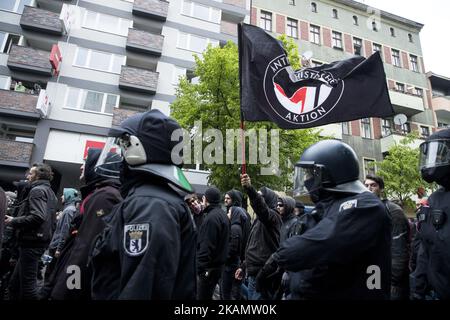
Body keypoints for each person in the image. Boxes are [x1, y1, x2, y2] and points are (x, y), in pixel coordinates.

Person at [256, 140, 391, 299]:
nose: (306, 180)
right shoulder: (327, 206)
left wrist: (277, 259)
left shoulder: (366, 206)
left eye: (310, 174)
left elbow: (317, 243)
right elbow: (301, 233)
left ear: (329, 174)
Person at [90, 109, 197, 300]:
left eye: (124, 147)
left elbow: (141, 287)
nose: (120, 157)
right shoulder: (155, 199)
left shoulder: (151, 204)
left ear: (136, 149)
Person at [47, 150, 122, 300]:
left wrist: (66, 290)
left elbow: (85, 247)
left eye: (86, 162)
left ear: (98, 165)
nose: (82, 167)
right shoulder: (99, 194)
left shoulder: (104, 197)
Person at [5, 164, 57, 300]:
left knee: (28, 289)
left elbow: (38, 216)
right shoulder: (49, 192)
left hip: (31, 243)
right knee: (14, 285)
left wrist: (13, 220)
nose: (27, 176)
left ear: (38, 176)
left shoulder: (37, 191)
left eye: (31, 174)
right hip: (36, 242)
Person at [411, 128, 450, 300]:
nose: (434, 161)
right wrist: (417, 290)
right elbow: (425, 251)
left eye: (440, 154)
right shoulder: (434, 199)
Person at [364, 174, 410, 300]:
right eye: (366, 185)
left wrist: (394, 281)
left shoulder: (393, 211)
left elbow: (399, 248)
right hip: (372, 271)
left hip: (392, 277)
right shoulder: (366, 211)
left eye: (373, 185)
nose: (369, 188)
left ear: (381, 189)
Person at [238, 176, 282, 300]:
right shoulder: (259, 220)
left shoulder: (273, 217)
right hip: (253, 272)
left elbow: (262, 210)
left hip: (262, 274)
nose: (258, 199)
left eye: (261, 197)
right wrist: (244, 266)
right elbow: (256, 246)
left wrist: (250, 190)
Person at [196, 187, 229, 300]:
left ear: (206, 199)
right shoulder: (222, 215)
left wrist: (199, 269)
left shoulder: (211, 218)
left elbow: (206, 246)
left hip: (208, 270)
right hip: (217, 268)